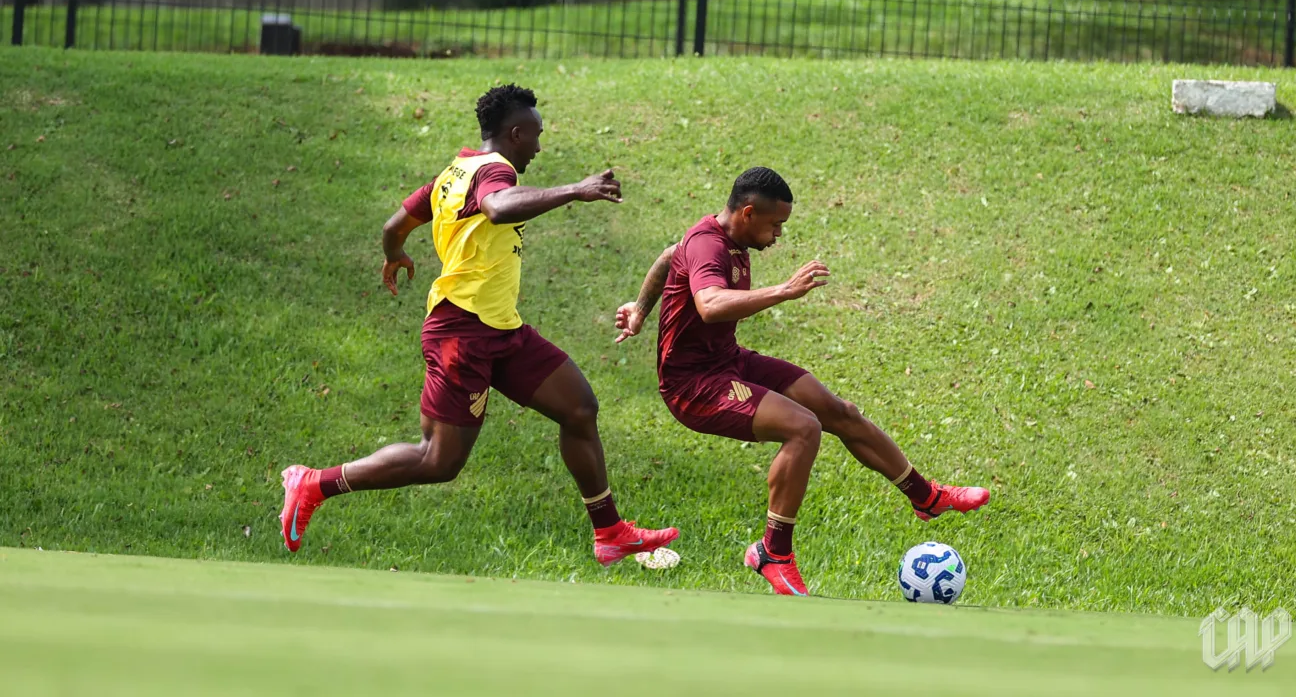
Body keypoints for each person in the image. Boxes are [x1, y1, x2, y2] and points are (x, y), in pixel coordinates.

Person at [279, 84, 679, 567]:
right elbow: (498, 207)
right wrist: (576, 190)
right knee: (438, 461)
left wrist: (395, 256)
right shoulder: (495, 170)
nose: (539, 146)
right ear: (515, 133)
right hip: (461, 330)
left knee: (578, 407)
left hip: (499, 329)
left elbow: (393, 227)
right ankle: (314, 484)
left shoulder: (454, 172)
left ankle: (610, 532)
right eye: (535, 135)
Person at [614, 167, 988, 596]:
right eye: (775, 225)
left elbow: (668, 255)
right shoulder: (708, 246)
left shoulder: (717, 238)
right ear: (749, 213)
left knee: (837, 411)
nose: (777, 236)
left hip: (727, 362)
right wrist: (784, 290)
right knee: (803, 427)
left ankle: (926, 496)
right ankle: (773, 552)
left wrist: (641, 309)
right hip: (693, 385)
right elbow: (711, 304)